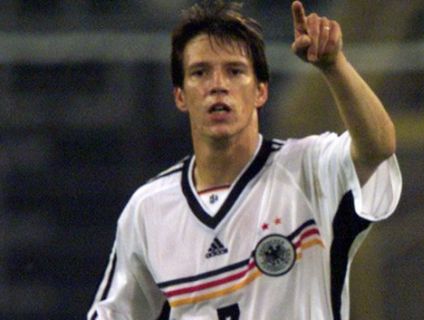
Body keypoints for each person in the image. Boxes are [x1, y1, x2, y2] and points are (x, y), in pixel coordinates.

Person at [87, 1, 402, 319]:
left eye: (235, 71)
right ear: (180, 96)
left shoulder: (309, 168)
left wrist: (334, 66)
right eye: (200, 73)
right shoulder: (149, 210)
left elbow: (378, 147)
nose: (217, 86)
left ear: (261, 91)